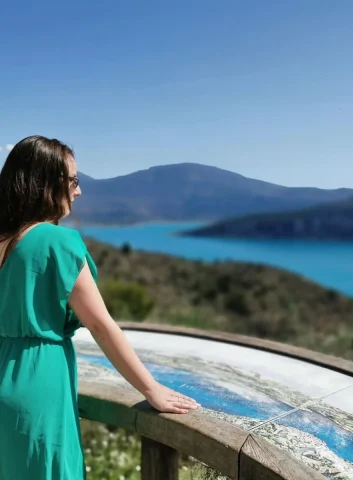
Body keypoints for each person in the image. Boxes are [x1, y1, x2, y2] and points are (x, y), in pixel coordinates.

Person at [0, 135, 200, 479]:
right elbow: (101, 326)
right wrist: (152, 389)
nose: (78, 191)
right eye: (74, 181)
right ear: (47, 182)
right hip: (38, 384)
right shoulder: (57, 242)